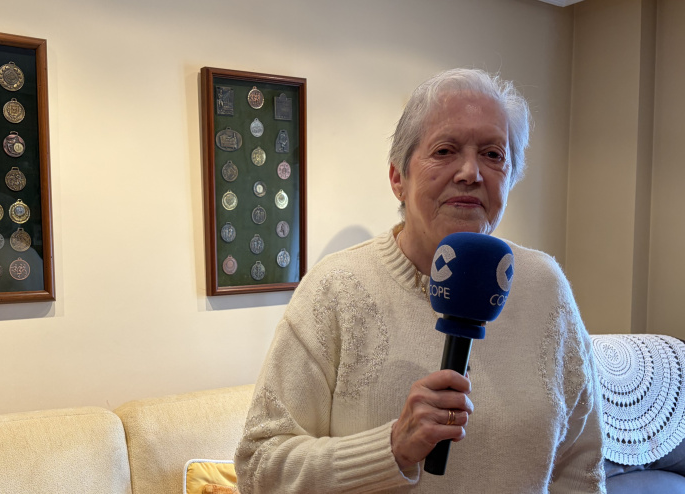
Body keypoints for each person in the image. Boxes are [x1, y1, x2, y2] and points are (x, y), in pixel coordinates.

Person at [234, 68, 605, 493]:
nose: (471, 172)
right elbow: (258, 467)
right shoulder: (334, 289)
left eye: (493, 154)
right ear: (398, 178)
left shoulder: (547, 287)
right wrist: (391, 448)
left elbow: (582, 465)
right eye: (445, 150)